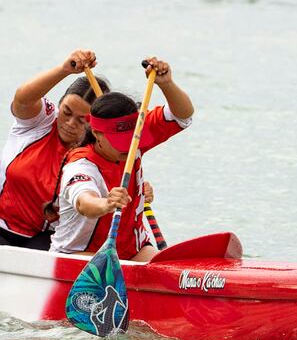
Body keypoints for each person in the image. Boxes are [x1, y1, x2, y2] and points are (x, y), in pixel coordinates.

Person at [0, 50, 106, 249]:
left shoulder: (98, 151)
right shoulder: (41, 121)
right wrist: (65, 70)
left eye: (81, 120)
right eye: (66, 112)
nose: (69, 123)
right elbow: (22, 99)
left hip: (42, 235)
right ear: (60, 105)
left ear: (95, 125)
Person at [50, 58, 194, 262]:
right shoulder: (81, 164)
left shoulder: (137, 136)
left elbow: (183, 115)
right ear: (97, 133)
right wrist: (106, 203)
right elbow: (84, 202)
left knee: (163, 265)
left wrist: (166, 84)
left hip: (132, 251)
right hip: (78, 255)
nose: (129, 146)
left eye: (132, 140)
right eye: (119, 141)